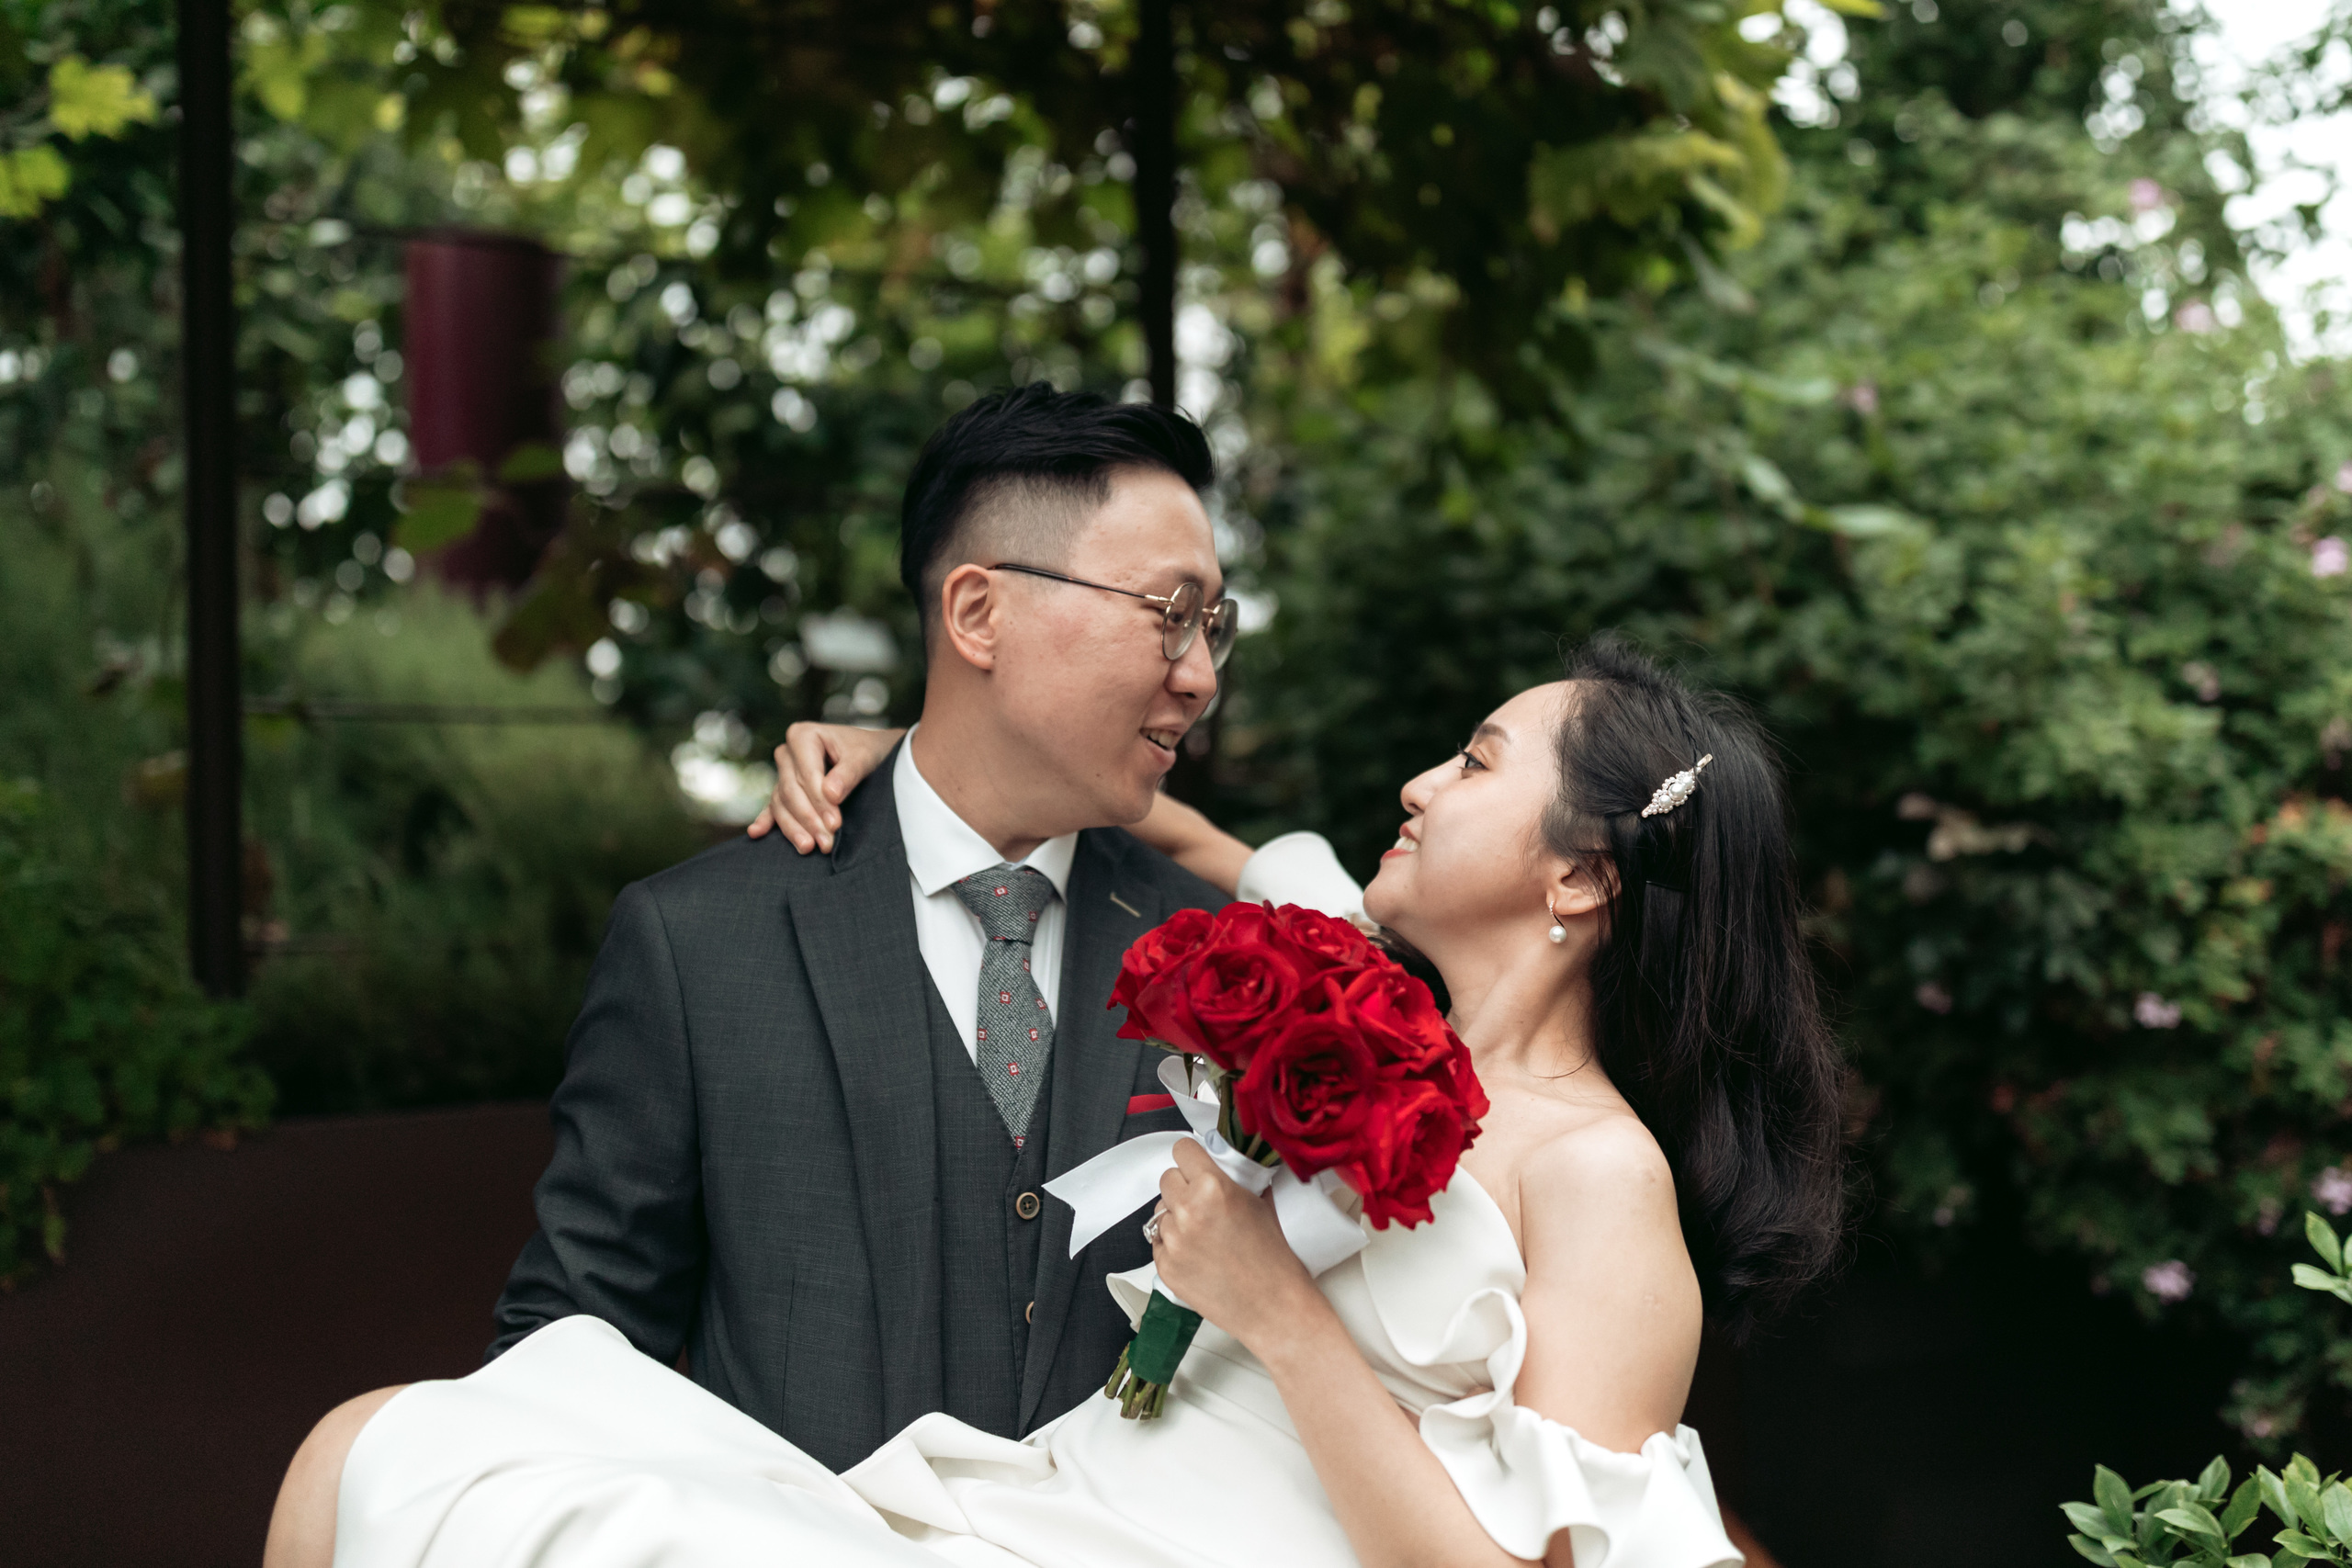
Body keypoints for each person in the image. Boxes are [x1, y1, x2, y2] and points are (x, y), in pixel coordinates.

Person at [271, 626, 1846, 1567]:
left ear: (1581, 871)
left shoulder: (1600, 1178)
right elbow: (1151, 812)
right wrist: (926, 751)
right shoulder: (1348, 986)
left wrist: (1277, 1308)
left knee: (429, 1478)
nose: (1424, 784)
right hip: (1050, 1504)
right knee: (384, 1444)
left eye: (1481, 761)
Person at [262, 382, 1242, 1564]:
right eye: (1169, 614)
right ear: (977, 613)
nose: (1198, 674)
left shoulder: (1237, 961)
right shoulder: (700, 945)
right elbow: (569, 1354)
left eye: (1214, 627)